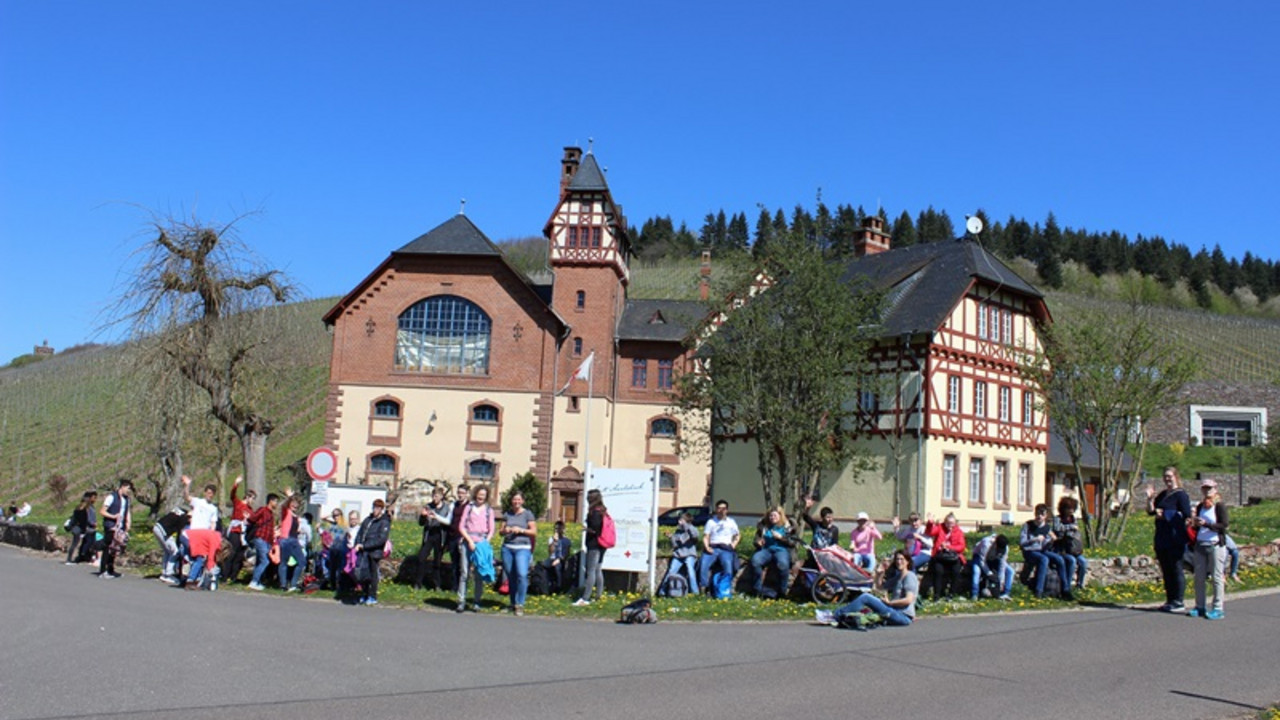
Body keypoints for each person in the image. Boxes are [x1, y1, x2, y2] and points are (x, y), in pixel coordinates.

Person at [816, 549, 918, 628]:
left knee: (866, 597)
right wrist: (879, 574)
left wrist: (890, 603)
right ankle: (836, 615)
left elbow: (908, 600)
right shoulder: (898, 577)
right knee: (867, 599)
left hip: (903, 616)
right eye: (897, 559)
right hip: (894, 611)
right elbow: (880, 587)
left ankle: (834, 616)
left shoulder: (910, 576)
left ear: (908, 561)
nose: (899, 562)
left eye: (902, 559)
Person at [1146, 466, 1192, 612]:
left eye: (1169, 476)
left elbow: (1186, 514)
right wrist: (1149, 499)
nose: (1167, 479)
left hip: (1175, 537)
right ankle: (1170, 599)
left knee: (1176, 568)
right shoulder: (1163, 494)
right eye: (1165, 476)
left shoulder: (1181, 495)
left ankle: (1178, 600)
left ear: (1176, 477)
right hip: (1162, 537)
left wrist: (1166, 514)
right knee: (1166, 570)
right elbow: (1151, 511)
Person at [1188, 480, 1229, 620]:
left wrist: (1207, 524)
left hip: (1216, 545)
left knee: (1216, 577)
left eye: (1209, 488)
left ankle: (1218, 608)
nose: (1207, 491)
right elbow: (1198, 527)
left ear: (1215, 489)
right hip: (1201, 544)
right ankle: (1200, 606)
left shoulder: (1219, 505)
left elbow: (1224, 525)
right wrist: (1193, 524)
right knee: (1199, 578)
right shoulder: (1201, 506)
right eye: (1204, 488)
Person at [1019, 504, 1071, 599]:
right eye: (1038, 514)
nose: (1039, 516)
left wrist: (1051, 540)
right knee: (1044, 559)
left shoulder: (1046, 528)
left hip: (1042, 550)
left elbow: (1046, 545)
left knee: (1059, 559)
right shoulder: (1028, 525)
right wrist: (1034, 539)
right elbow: (1022, 543)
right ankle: (1039, 590)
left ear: (1046, 516)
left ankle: (1065, 589)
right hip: (1030, 551)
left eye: (1042, 514)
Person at [180, 476, 222, 590]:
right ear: (205, 493)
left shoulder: (213, 508)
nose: (210, 495)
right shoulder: (199, 502)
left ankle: (191, 579)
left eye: (212, 493)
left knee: (198, 558)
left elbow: (213, 525)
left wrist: (211, 540)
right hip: (193, 534)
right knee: (200, 558)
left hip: (204, 537)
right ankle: (190, 580)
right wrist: (187, 485)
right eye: (208, 492)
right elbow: (186, 497)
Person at [457, 485, 495, 612]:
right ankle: (461, 600)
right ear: (475, 494)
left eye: (483, 495)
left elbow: (491, 529)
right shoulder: (469, 508)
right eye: (479, 494)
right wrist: (469, 541)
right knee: (464, 572)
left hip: (481, 544)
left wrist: (485, 543)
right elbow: (461, 526)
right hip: (468, 542)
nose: (481, 497)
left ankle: (477, 601)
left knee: (479, 573)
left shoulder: (489, 510)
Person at [500, 491, 537, 616]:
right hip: (508, 548)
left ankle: (520, 603)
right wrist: (506, 530)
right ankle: (512, 603)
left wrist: (520, 530)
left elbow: (533, 532)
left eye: (519, 500)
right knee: (511, 576)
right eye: (514, 499)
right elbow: (501, 531)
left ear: (522, 501)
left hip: (522, 548)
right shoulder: (507, 514)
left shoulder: (527, 514)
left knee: (522, 574)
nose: (516, 502)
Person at [353, 498, 393, 605]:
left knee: (372, 575)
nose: (375, 510)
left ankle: (372, 595)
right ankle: (364, 594)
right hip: (363, 551)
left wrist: (365, 546)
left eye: (378, 508)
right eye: (374, 507)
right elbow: (360, 533)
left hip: (374, 552)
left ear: (381, 509)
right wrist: (357, 543)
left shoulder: (384, 522)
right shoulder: (368, 520)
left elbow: (381, 539)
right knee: (363, 574)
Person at [413, 487, 453, 591]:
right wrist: (423, 516)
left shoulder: (446, 508)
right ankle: (418, 583)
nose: (435, 498)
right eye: (433, 496)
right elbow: (421, 523)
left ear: (441, 496)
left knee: (437, 561)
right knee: (421, 558)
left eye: (437, 496)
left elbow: (449, 525)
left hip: (440, 536)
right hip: (429, 535)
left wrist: (447, 542)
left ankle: (437, 584)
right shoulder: (428, 507)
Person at [575, 490, 610, 606]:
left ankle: (585, 598)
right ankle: (598, 595)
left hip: (594, 544)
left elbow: (595, 529)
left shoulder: (594, 512)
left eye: (588, 497)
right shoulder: (603, 510)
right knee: (598, 569)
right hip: (603, 543)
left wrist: (586, 529)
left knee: (591, 571)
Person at [750, 507, 795, 597]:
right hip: (767, 550)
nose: (772, 517)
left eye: (775, 515)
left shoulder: (787, 527)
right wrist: (758, 542)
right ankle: (757, 590)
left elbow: (793, 542)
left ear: (780, 516)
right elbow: (756, 539)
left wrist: (781, 538)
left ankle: (782, 592)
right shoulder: (764, 526)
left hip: (781, 550)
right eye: (770, 515)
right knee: (755, 560)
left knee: (783, 564)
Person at [698, 499, 740, 595]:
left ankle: (724, 588)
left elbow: (737, 535)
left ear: (727, 510)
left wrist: (733, 544)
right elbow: (706, 536)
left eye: (724, 508)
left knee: (728, 565)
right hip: (713, 547)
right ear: (716, 509)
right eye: (719, 508)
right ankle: (704, 588)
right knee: (703, 564)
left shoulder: (731, 522)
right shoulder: (711, 522)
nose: (721, 510)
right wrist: (707, 547)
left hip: (726, 548)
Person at [221, 476, 256, 583]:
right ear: (247, 497)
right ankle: (225, 576)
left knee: (239, 556)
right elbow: (232, 495)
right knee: (231, 554)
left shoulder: (250, 510)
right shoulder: (239, 504)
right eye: (252, 498)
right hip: (235, 532)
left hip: (244, 535)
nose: (253, 501)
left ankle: (233, 576)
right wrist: (236, 484)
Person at [924, 512, 967, 600]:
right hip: (940, 556)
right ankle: (937, 594)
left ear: (955, 523)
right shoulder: (940, 527)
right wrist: (930, 523)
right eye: (948, 523)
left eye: (952, 523)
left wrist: (948, 547)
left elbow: (961, 546)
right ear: (945, 522)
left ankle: (951, 593)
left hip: (953, 556)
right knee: (938, 571)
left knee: (956, 571)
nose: (950, 525)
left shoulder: (958, 532)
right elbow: (929, 532)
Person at [97, 479, 134, 579]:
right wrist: (113, 516)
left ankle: (110, 569)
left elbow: (127, 511)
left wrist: (128, 522)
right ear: (122, 486)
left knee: (115, 548)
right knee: (107, 547)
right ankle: (102, 570)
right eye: (128, 488)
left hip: (120, 526)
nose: (129, 491)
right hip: (111, 525)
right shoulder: (111, 497)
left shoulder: (126, 499)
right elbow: (102, 511)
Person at [246, 493, 281, 591]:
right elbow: (253, 518)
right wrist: (248, 517)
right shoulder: (263, 510)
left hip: (267, 540)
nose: (276, 503)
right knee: (265, 561)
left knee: (260, 561)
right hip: (260, 537)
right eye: (275, 501)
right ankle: (254, 582)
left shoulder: (271, 514)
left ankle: (256, 581)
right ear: (270, 501)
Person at [663, 512, 700, 595]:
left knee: (691, 571)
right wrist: (671, 537)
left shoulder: (692, 529)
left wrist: (685, 525)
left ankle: (695, 592)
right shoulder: (678, 531)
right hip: (678, 555)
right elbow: (675, 545)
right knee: (671, 571)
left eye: (681, 520)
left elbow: (695, 536)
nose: (679, 522)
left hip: (689, 554)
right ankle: (663, 591)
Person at [1055, 497, 1087, 590]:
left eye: (1073, 509)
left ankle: (1080, 584)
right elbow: (1057, 528)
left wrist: (1071, 530)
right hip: (1062, 549)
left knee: (1083, 562)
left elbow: (1076, 532)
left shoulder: (1074, 519)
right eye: (1069, 508)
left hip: (1074, 548)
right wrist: (1070, 527)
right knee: (1072, 562)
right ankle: (1067, 586)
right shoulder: (1058, 519)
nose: (1071, 511)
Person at [276, 492, 305, 592]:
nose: (295, 506)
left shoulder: (296, 517)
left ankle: (293, 584)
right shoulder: (286, 512)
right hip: (285, 540)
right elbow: (283, 505)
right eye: (293, 503)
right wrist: (289, 497)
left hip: (294, 541)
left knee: (302, 562)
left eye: (297, 504)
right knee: (283, 562)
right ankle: (283, 585)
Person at [446, 485, 472, 599]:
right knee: (454, 563)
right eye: (459, 492)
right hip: (452, 536)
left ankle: (464, 586)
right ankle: (455, 586)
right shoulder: (453, 505)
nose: (460, 494)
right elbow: (448, 520)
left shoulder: (470, 506)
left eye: (462, 492)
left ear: (467, 494)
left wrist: (466, 536)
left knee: (464, 564)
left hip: (463, 537)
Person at [970, 533, 1013, 600]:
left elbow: (1002, 564)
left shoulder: (1005, 548)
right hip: (979, 556)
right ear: (995, 544)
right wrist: (989, 573)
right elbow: (982, 561)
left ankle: (1005, 593)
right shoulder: (986, 543)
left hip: (994, 558)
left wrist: (1001, 581)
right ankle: (974, 594)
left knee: (1010, 571)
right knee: (976, 571)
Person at [153, 507, 189, 584]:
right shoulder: (184, 517)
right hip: (163, 530)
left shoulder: (179, 510)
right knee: (175, 551)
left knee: (167, 551)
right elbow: (181, 534)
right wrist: (179, 546)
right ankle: (169, 574)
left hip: (157, 526)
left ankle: (164, 572)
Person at [64, 491, 97, 565]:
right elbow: (85, 521)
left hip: (75, 528)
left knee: (74, 544)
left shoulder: (77, 508)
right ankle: (70, 560)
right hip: (80, 529)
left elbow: (74, 519)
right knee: (75, 544)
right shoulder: (85, 510)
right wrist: (85, 529)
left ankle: (69, 559)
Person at [544, 520, 573, 592]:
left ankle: (558, 586)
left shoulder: (567, 540)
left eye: (560, 528)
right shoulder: (551, 539)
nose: (557, 530)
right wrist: (554, 542)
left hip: (561, 559)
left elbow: (566, 553)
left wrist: (559, 559)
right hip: (552, 558)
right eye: (556, 529)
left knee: (558, 567)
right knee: (543, 565)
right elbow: (550, 552)